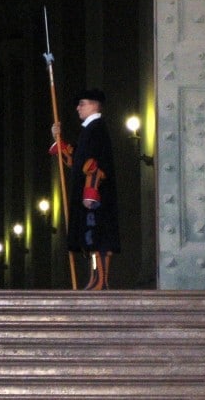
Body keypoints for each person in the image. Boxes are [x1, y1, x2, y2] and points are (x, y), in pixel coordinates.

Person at [50, 88, 120, 290]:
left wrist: (90, 192)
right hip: (89, 195)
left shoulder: (96, 129)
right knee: (90, 239)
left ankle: (101, 280)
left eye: (82, 103)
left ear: (95, 105)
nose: (78, 108)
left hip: (95, 196)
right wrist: (59, 140)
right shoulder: (88, 130)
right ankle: (94, 278)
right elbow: (77, 159)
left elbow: (95, 164)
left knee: (97, 237)